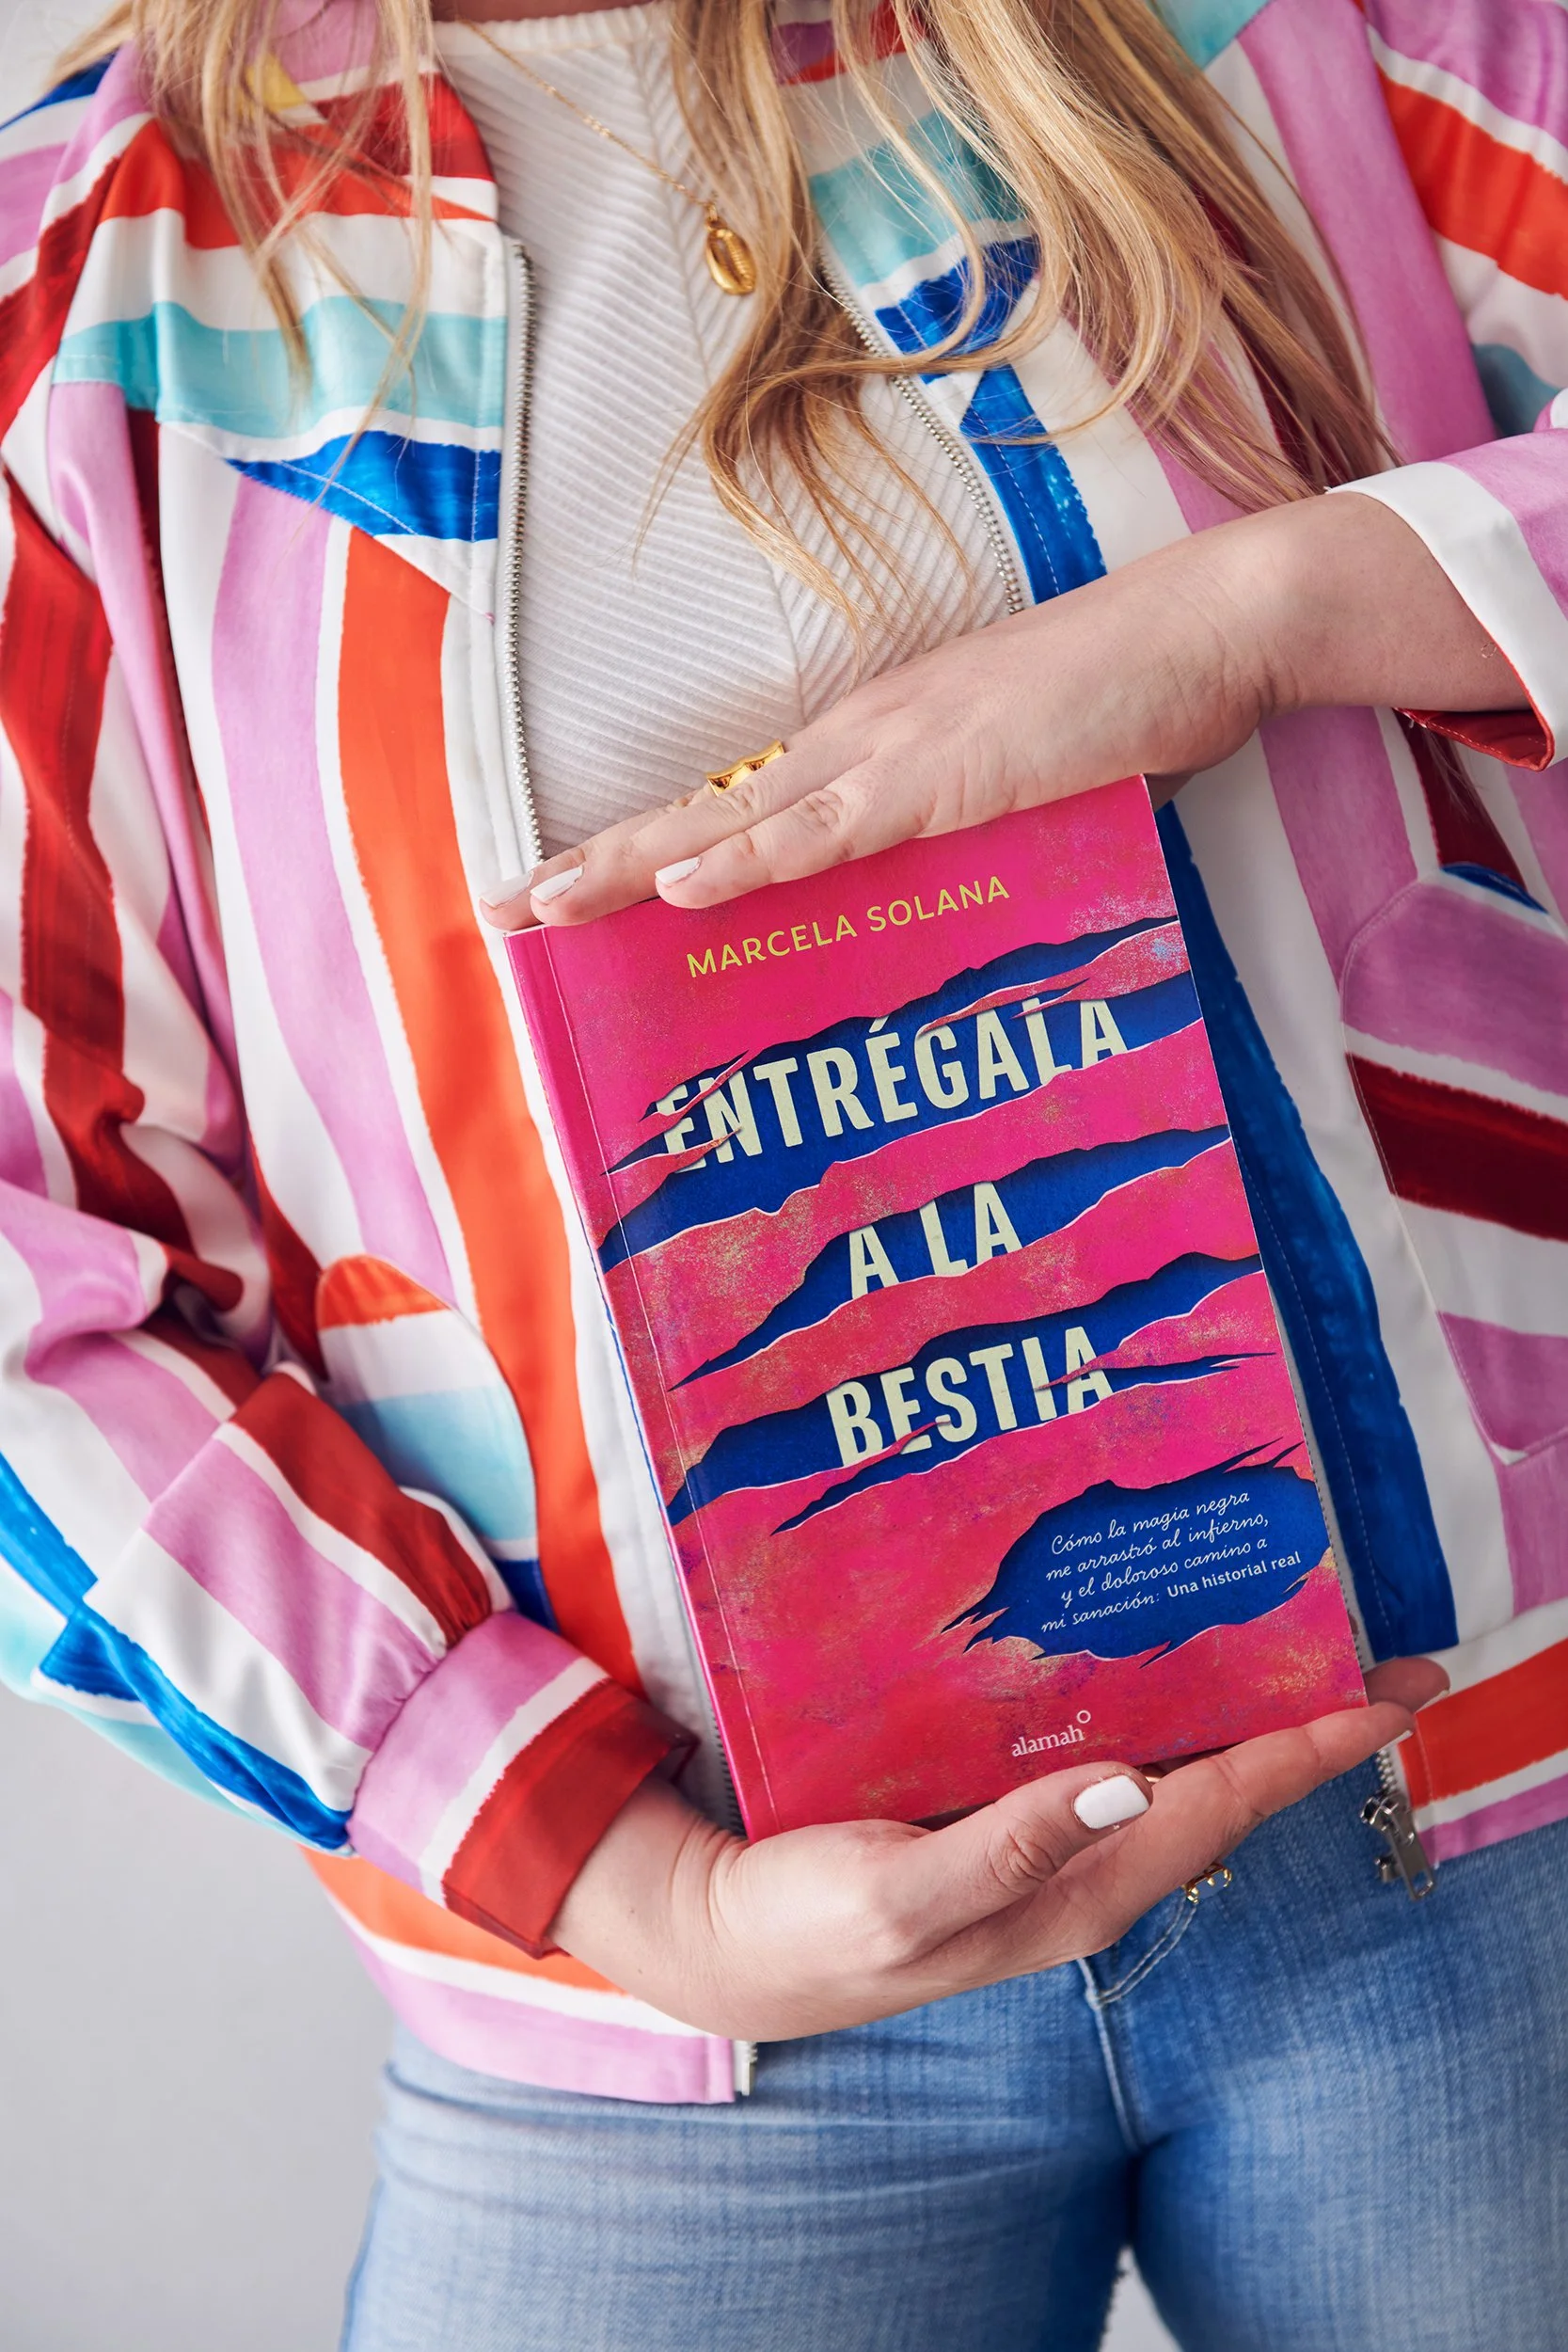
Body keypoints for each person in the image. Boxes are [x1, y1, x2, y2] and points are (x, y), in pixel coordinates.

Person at [0, 0, 1562, 2344]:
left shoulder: (1318, 35)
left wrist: (1280, 605)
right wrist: (601, 1869)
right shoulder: (88, 280)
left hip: (1477, 1797)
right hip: (673, 2005)